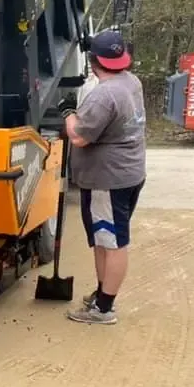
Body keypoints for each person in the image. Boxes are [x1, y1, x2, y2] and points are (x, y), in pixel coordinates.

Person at [58, 28, 146, 325]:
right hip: (128, 172)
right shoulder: (131, 82)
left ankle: (104, 309)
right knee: (103, 239)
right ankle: (101, 293)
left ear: (92, 60)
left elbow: (79, 137)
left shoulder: (103, 96)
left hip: (107, 181)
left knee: (112, 242)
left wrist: (68, 113)